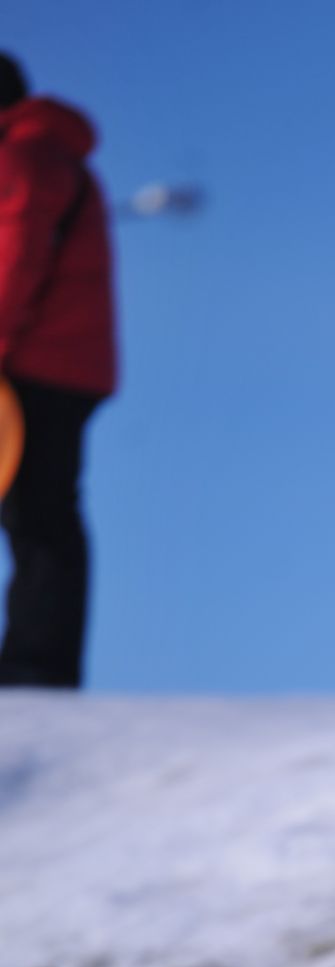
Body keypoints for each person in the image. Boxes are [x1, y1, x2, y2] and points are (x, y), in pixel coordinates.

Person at [0, 53, 117, 689]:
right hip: (68, 362)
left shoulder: (24, 157)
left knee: (37, 514)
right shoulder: (52, 153)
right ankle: (36, 660)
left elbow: (14, 262)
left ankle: (33, 665)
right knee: (42, 512)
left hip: (37, 364)